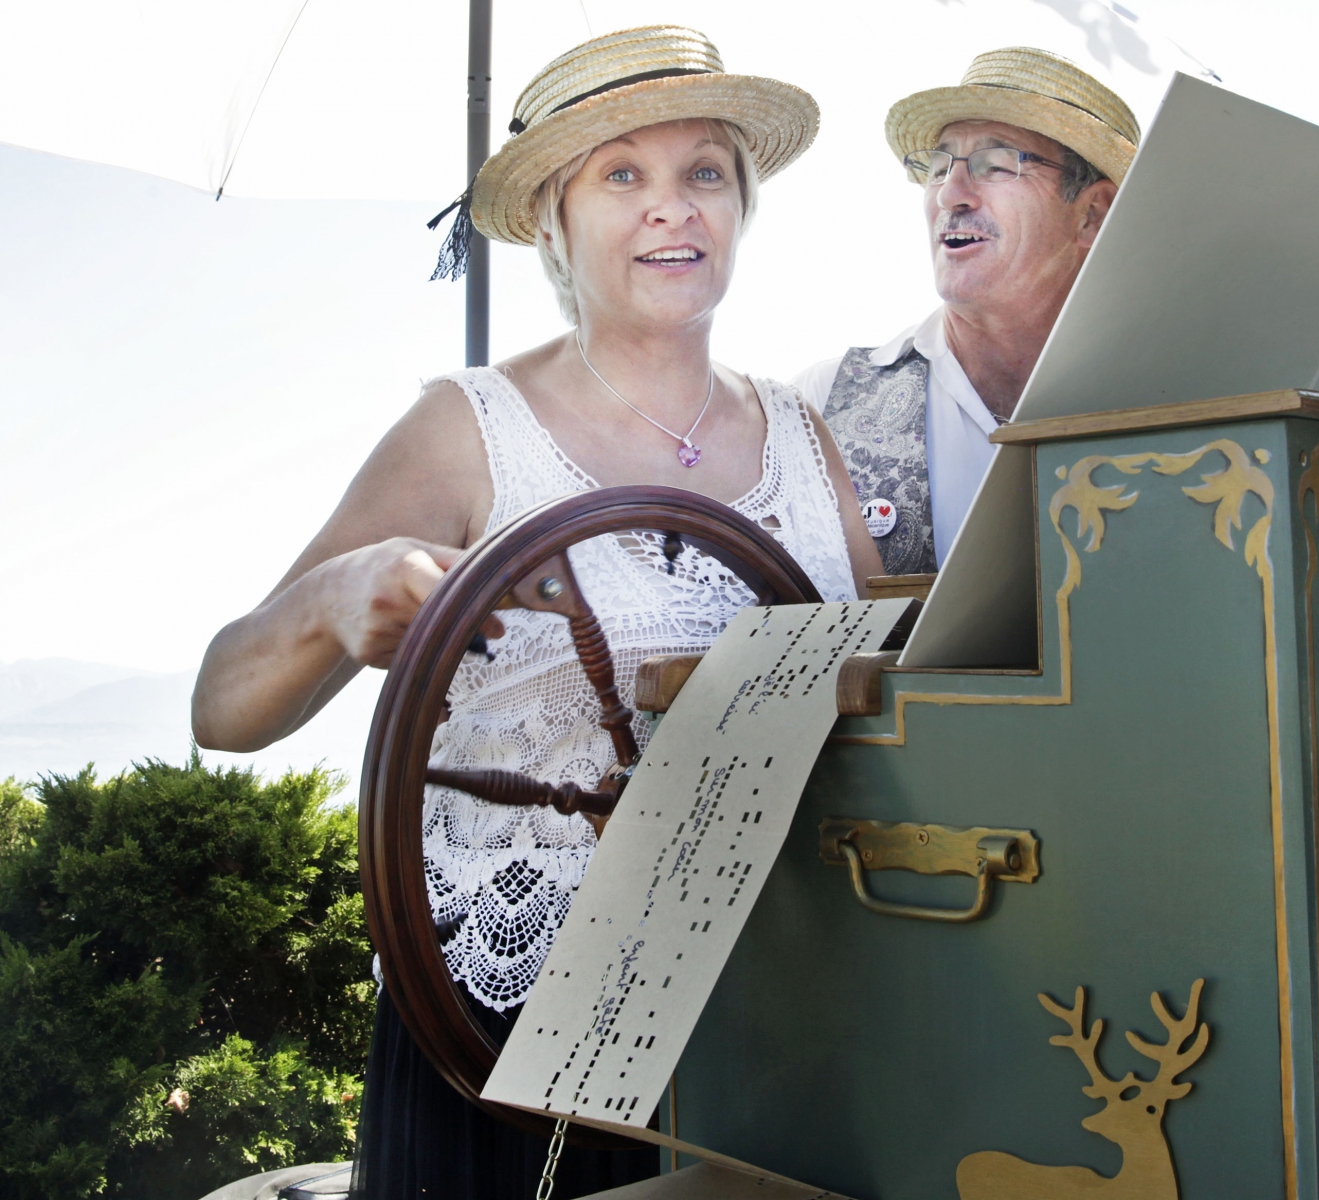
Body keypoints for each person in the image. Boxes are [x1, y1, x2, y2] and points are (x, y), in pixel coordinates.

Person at [191, 25, 882, 1198]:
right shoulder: (467, 430)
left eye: (703, 173)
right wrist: (331, 601)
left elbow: (884, 702)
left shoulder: (804, 438)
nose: (673, 209)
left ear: (741, 207)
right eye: (623, 176)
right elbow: (224, 707)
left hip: (770, 1013)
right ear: (555, 221)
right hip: (515, 1042)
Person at [795, 48, 1137, 575]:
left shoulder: (1172, 396)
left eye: (996, 165)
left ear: (1092, 215)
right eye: (937, 167)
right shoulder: (818, 404)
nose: (949, 194)